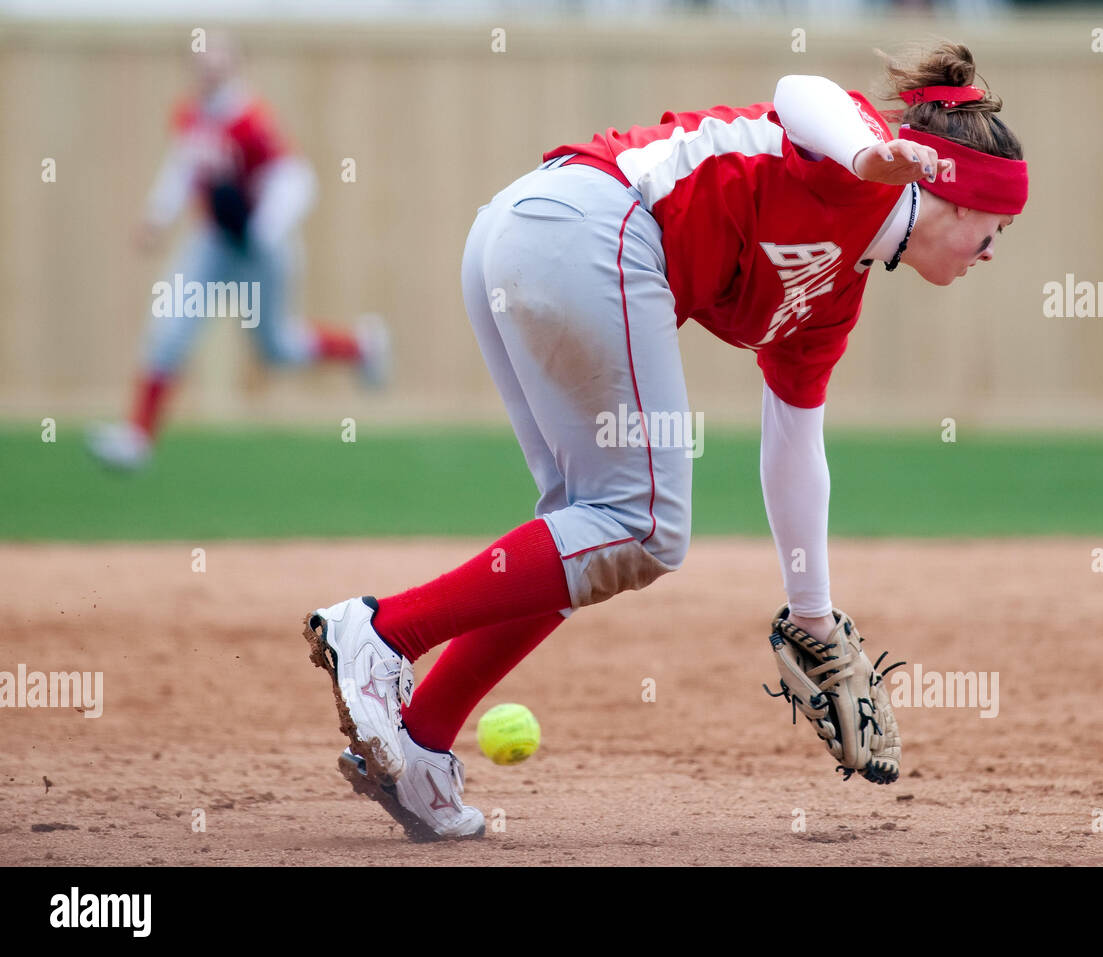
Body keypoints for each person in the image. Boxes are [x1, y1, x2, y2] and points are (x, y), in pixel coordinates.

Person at [303, 41, 1027, 840]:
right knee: (644, 526)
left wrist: (814, 615)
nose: (995, 249)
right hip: (588, 220)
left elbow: (795, 443)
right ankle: (381, 631)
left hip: (527, 234)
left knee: (590, 529)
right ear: (955, 200)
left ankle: (422, 741)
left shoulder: (833, 296)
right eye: (997, 224)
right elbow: (798, 89)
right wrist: (869, 151)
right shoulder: (858, 156)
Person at [88, 34, 389, 470]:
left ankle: (361, 346)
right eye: (201, 58)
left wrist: (265, 230)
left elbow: (296, 179)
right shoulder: (191, 114)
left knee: (275, 346)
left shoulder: (250, 119)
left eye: (217, 58)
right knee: (169, 326)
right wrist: (158, 215)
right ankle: (137, 436)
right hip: (213, 240)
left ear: (235, 64)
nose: (208, 67)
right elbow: (182, 167)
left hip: (261, 247)